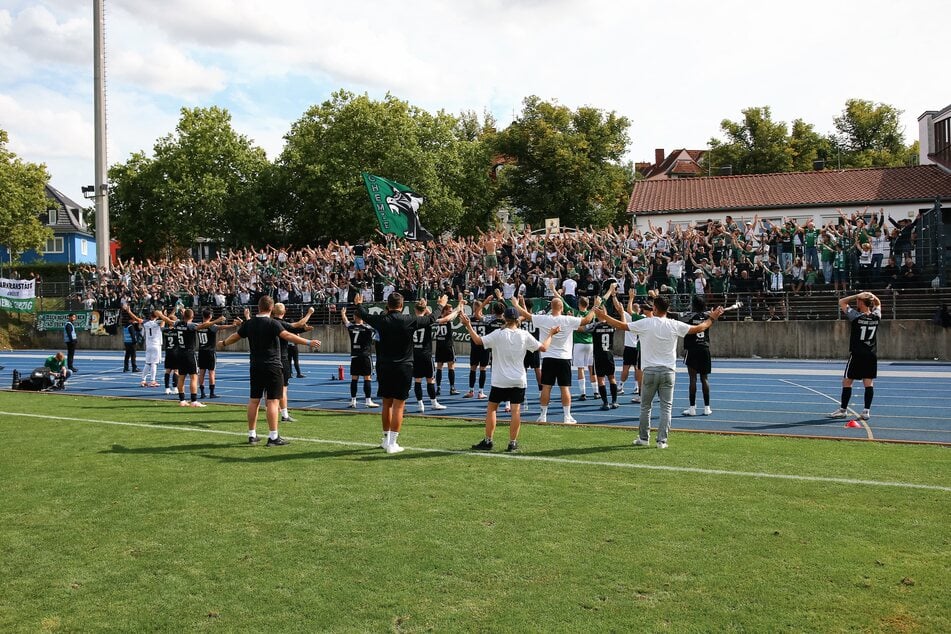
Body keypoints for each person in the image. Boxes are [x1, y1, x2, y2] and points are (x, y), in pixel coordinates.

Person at [595, 294, 724, 449]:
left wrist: (604, 316)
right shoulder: (673, 324)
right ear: (668, 309)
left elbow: (622, 326)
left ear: (654, 308)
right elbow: (699, 328)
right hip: (668, 371)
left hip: (649, 371)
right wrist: (713, 318)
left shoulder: (645, 323)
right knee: (666, 407)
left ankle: (644, 438)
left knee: (645, 406)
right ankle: (662, 441)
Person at [354, 291, 456, 454]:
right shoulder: (409, 319)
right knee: (399, 405)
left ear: (388, 305)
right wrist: (441, 305)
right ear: (401, 306)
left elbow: (363, 314)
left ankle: (385, 439)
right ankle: (392, 443)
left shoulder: (381, 320)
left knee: (386, 404)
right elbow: (431, 319)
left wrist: (359, 303)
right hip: (403, 367)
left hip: (384, 367)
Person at [218, 295, 320, 446]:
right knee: (272, 401)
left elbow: (236, 336)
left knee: (254, 400)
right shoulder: (273, 323)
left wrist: (224, 342)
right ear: (271, 308)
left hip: (255, 366)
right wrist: (308, 342)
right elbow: (287, 335)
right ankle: (273, 437)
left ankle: (252, 434)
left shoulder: (250, 323)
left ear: (258, 307)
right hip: (272, 366)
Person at [462, 306, 558, 452]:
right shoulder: (524, 334)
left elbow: (478, 341)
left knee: (492, 409)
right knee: (516, 411)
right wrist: (551, 334)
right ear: (517, 319)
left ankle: (488, 441)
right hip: (518, 379)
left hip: (500, 380)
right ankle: (512, 442)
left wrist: (468, 325)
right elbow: (544, 348)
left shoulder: (498, 334)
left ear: (505, 319)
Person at [511, 291, 595, 424]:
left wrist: (516, 304)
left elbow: (526, 315)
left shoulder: (545, 319)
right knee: (565, 388)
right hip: (564, 358)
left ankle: (543, 415)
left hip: (548, 357)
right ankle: (567, 416)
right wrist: (595, 307)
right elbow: (587, 320)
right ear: (561, 308)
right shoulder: (567, 319)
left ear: (551, 307)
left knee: (546, 387)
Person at [157, 308, 227, 407]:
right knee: (193, 377)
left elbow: (167, 320)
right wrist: (216, 321)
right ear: (192, 316)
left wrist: (160, 314)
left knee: (181, 377)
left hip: (180, 353)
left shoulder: (177, 323)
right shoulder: (191, 325)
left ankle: (182, 400)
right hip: (189, 353)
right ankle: (194, 401)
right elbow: (203, 325)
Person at [829, 292, 881, 420]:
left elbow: (842, 301)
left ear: (862, 302)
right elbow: (879, 304)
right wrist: (871, 295)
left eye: (858, 301)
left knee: (847, 381)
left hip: (857, 353)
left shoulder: (856, 317)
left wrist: (859, 295)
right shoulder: (876, 316)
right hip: (871, 354)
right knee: (868, 383)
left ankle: (843, 410)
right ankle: (866, 411)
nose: (856, 302)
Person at [411, 298, 461, 412]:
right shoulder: (428, 320)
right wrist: (458, 308)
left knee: (417, 380)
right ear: (425, 309)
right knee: (430, 380)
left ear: (414, 309)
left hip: (415, 353)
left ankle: (420, 404)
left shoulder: (410, 320)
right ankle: (433, 402)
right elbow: (446, 318)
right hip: (426, 354)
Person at [272, 303, 316, 423]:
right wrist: (309, 313)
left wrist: (303, 329)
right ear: (284, 312)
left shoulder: (270, 323)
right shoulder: (280, 324)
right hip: (282, 359)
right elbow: (298, 324)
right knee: (283, 388)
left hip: (271, 359)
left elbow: (293, 328)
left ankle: (273, 411)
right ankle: (284, 415)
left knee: (270, 389)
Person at [679, 295, 714, 416]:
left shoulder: (689, 316)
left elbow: (677, 317)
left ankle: (692, 408)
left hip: (692, 348)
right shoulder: (707, 316)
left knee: (692, 378)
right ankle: (707, 407)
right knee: (704, 379)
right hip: (704, 348)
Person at [197, 308, 240, 400]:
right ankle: (212, 393)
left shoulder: (199, 325)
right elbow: (221, 327)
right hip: (210, 351)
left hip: (201, 351)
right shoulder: (212, 326)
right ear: (210, 316)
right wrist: (232, 325)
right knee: (211, 372)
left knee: (202, 372)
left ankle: (202, 393)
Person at [340, 305, 378, 409]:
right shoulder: (368, 328)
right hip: (365, 356)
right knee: (367, 378)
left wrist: (343, 313)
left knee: (354, 379)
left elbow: (345, 321)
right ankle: (368, 401)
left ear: (354, 317)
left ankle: (353, 401)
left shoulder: (351, 327)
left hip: (355, 356)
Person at [433, 304, 459, 397]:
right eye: (449, 311)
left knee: (440, 367)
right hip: (447, 346)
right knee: (450, 366)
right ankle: (451, 388)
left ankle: (439, 388)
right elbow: (454, 314)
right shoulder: (447, 319)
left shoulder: (437, 319)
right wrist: (460, 305)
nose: (450, 312)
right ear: (444, 311)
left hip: (440, 345)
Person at [139, 310, 164, 388]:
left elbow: (137, 319)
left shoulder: (146, 323)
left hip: (148, 345)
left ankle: (143, 380)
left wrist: (129, 311)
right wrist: (162, 314)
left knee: (147, 363)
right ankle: (153, 380)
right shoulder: (158, 322)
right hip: (156, 345)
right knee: (154, 363)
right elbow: (165, 320)